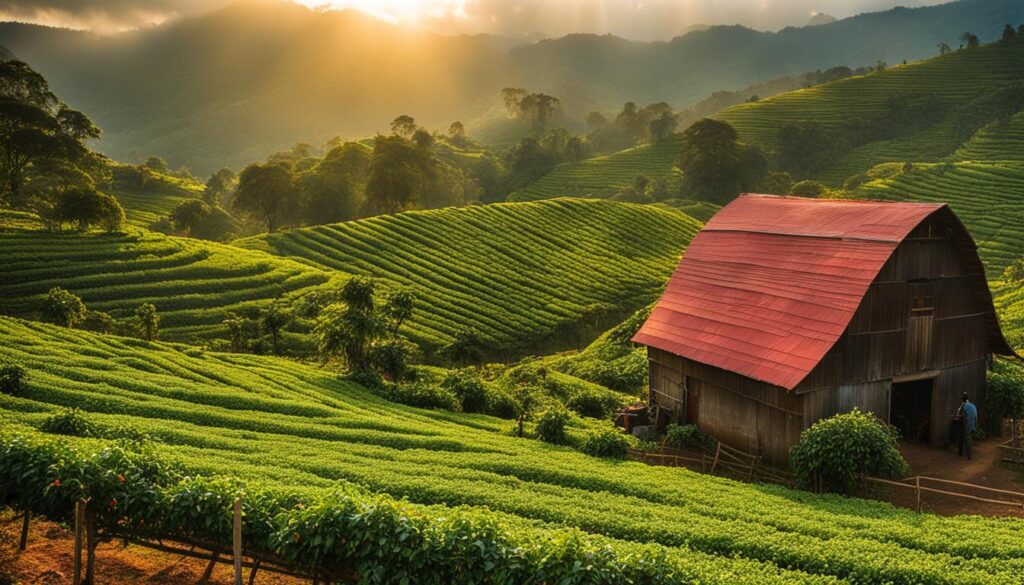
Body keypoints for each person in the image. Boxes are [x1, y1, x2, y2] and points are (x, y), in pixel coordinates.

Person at [954, 393, 978, 460]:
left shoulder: (964, 406)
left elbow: (963, 415)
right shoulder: (973, 406)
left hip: (965, 424)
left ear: (962, 399)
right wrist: (975, 424)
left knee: (962, 438)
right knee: (968, 439)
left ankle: (962, 453)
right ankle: (968, 455)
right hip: (971, 425)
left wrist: (957, 417)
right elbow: (976, 417)